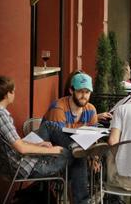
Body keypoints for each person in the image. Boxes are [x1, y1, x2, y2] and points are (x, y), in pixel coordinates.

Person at [0, 76, 68, 181]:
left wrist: (37, 144)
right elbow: (21, 149)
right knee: (68, 154)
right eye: (13, 91)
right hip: (22, 167)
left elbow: (11, 143)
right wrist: (52, 151)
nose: (14, 94)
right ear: (7, 94)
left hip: (8, 165)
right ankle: (79, 148)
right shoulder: (1, 116)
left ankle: (76, 147)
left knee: (48, 126)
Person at [41, 71, 107, 203]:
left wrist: (94, 157)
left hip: (77, 152)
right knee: (78, 155)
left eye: (87, 92)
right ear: (71, 90)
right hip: (53, 151)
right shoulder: (59, 108)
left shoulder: (91, 109)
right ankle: (83, 201)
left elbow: (92, 138)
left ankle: (105, 196)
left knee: (93, 155)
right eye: (80, 91)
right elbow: (57, 137)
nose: (84, 96)